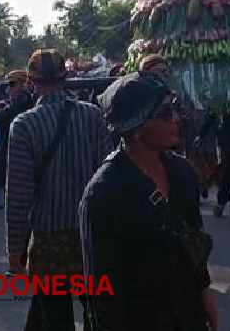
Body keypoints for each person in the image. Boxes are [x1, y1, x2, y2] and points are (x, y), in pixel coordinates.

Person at [80, 73, 217, 331]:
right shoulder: (103, 193)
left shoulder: (182, 173)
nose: (176, 119)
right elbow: (100, 292)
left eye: (174, 108)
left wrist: (205, 295)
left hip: (186, 315)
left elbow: (193, 246)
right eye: (164, 113)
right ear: (136, 128)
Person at [6, 49, 112, 331]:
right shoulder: (92, 115)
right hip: (90, 236)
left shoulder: (24, 125)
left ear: (30, 81)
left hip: (48, 239)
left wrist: (15, 250)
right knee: (96, 311)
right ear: (66, 77)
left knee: (54, 314)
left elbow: (18, 194)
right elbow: (108, 175)